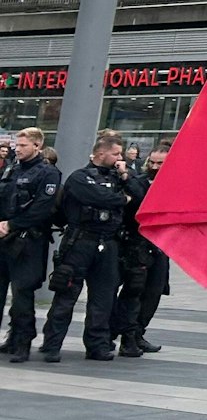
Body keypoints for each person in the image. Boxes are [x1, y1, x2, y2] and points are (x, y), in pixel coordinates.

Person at [41, 134, 135, 361]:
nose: (119, 158)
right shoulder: (80, 177)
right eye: (115, 154)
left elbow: (139, 196)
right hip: (79, 242)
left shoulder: (118, 178)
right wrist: (123, 199)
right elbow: (100, 197)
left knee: (103, 298)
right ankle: (52, 345)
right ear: (101, 153)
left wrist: (125, 176)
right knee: (66, 294)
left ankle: (98, 345)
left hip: (109, 243)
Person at [0, 126, 61, 361]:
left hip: (29, 241)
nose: (18, 149)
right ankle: (11, 338)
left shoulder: (47, 173)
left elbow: (42, 209)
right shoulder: (11, 170)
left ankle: (22, 342)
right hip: (5, 239)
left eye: (24, 145)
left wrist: (12, 225)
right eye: (17, 144)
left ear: (37, 145)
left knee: (22, 293)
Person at [112, 142, 171, 357]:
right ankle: (125, 336)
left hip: (160, 245)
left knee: (154, 292)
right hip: (137, 244)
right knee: (134, 292)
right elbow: (140, 200)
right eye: (152, 162)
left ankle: (138, 332)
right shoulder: (138, 181)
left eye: (160, 163)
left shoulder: (176, 184)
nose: (154, 166)